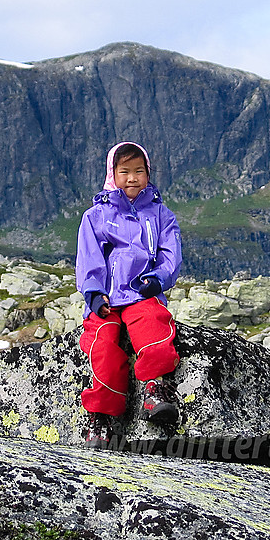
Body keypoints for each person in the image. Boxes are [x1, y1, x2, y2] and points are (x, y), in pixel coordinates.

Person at [76, 141, 183, 449]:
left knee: (155, 326)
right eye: (125, 172)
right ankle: (102, 417)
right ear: (112, 175)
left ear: (148, 174)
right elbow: (89, 257)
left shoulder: (162, 215)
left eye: (140, 171)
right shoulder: (95, 216)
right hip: (107, 300)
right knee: (102, 347)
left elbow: (170, 253)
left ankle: (154, 389)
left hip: (141, 293)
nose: (133, 178)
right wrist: (95, 294)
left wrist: (158, 279)